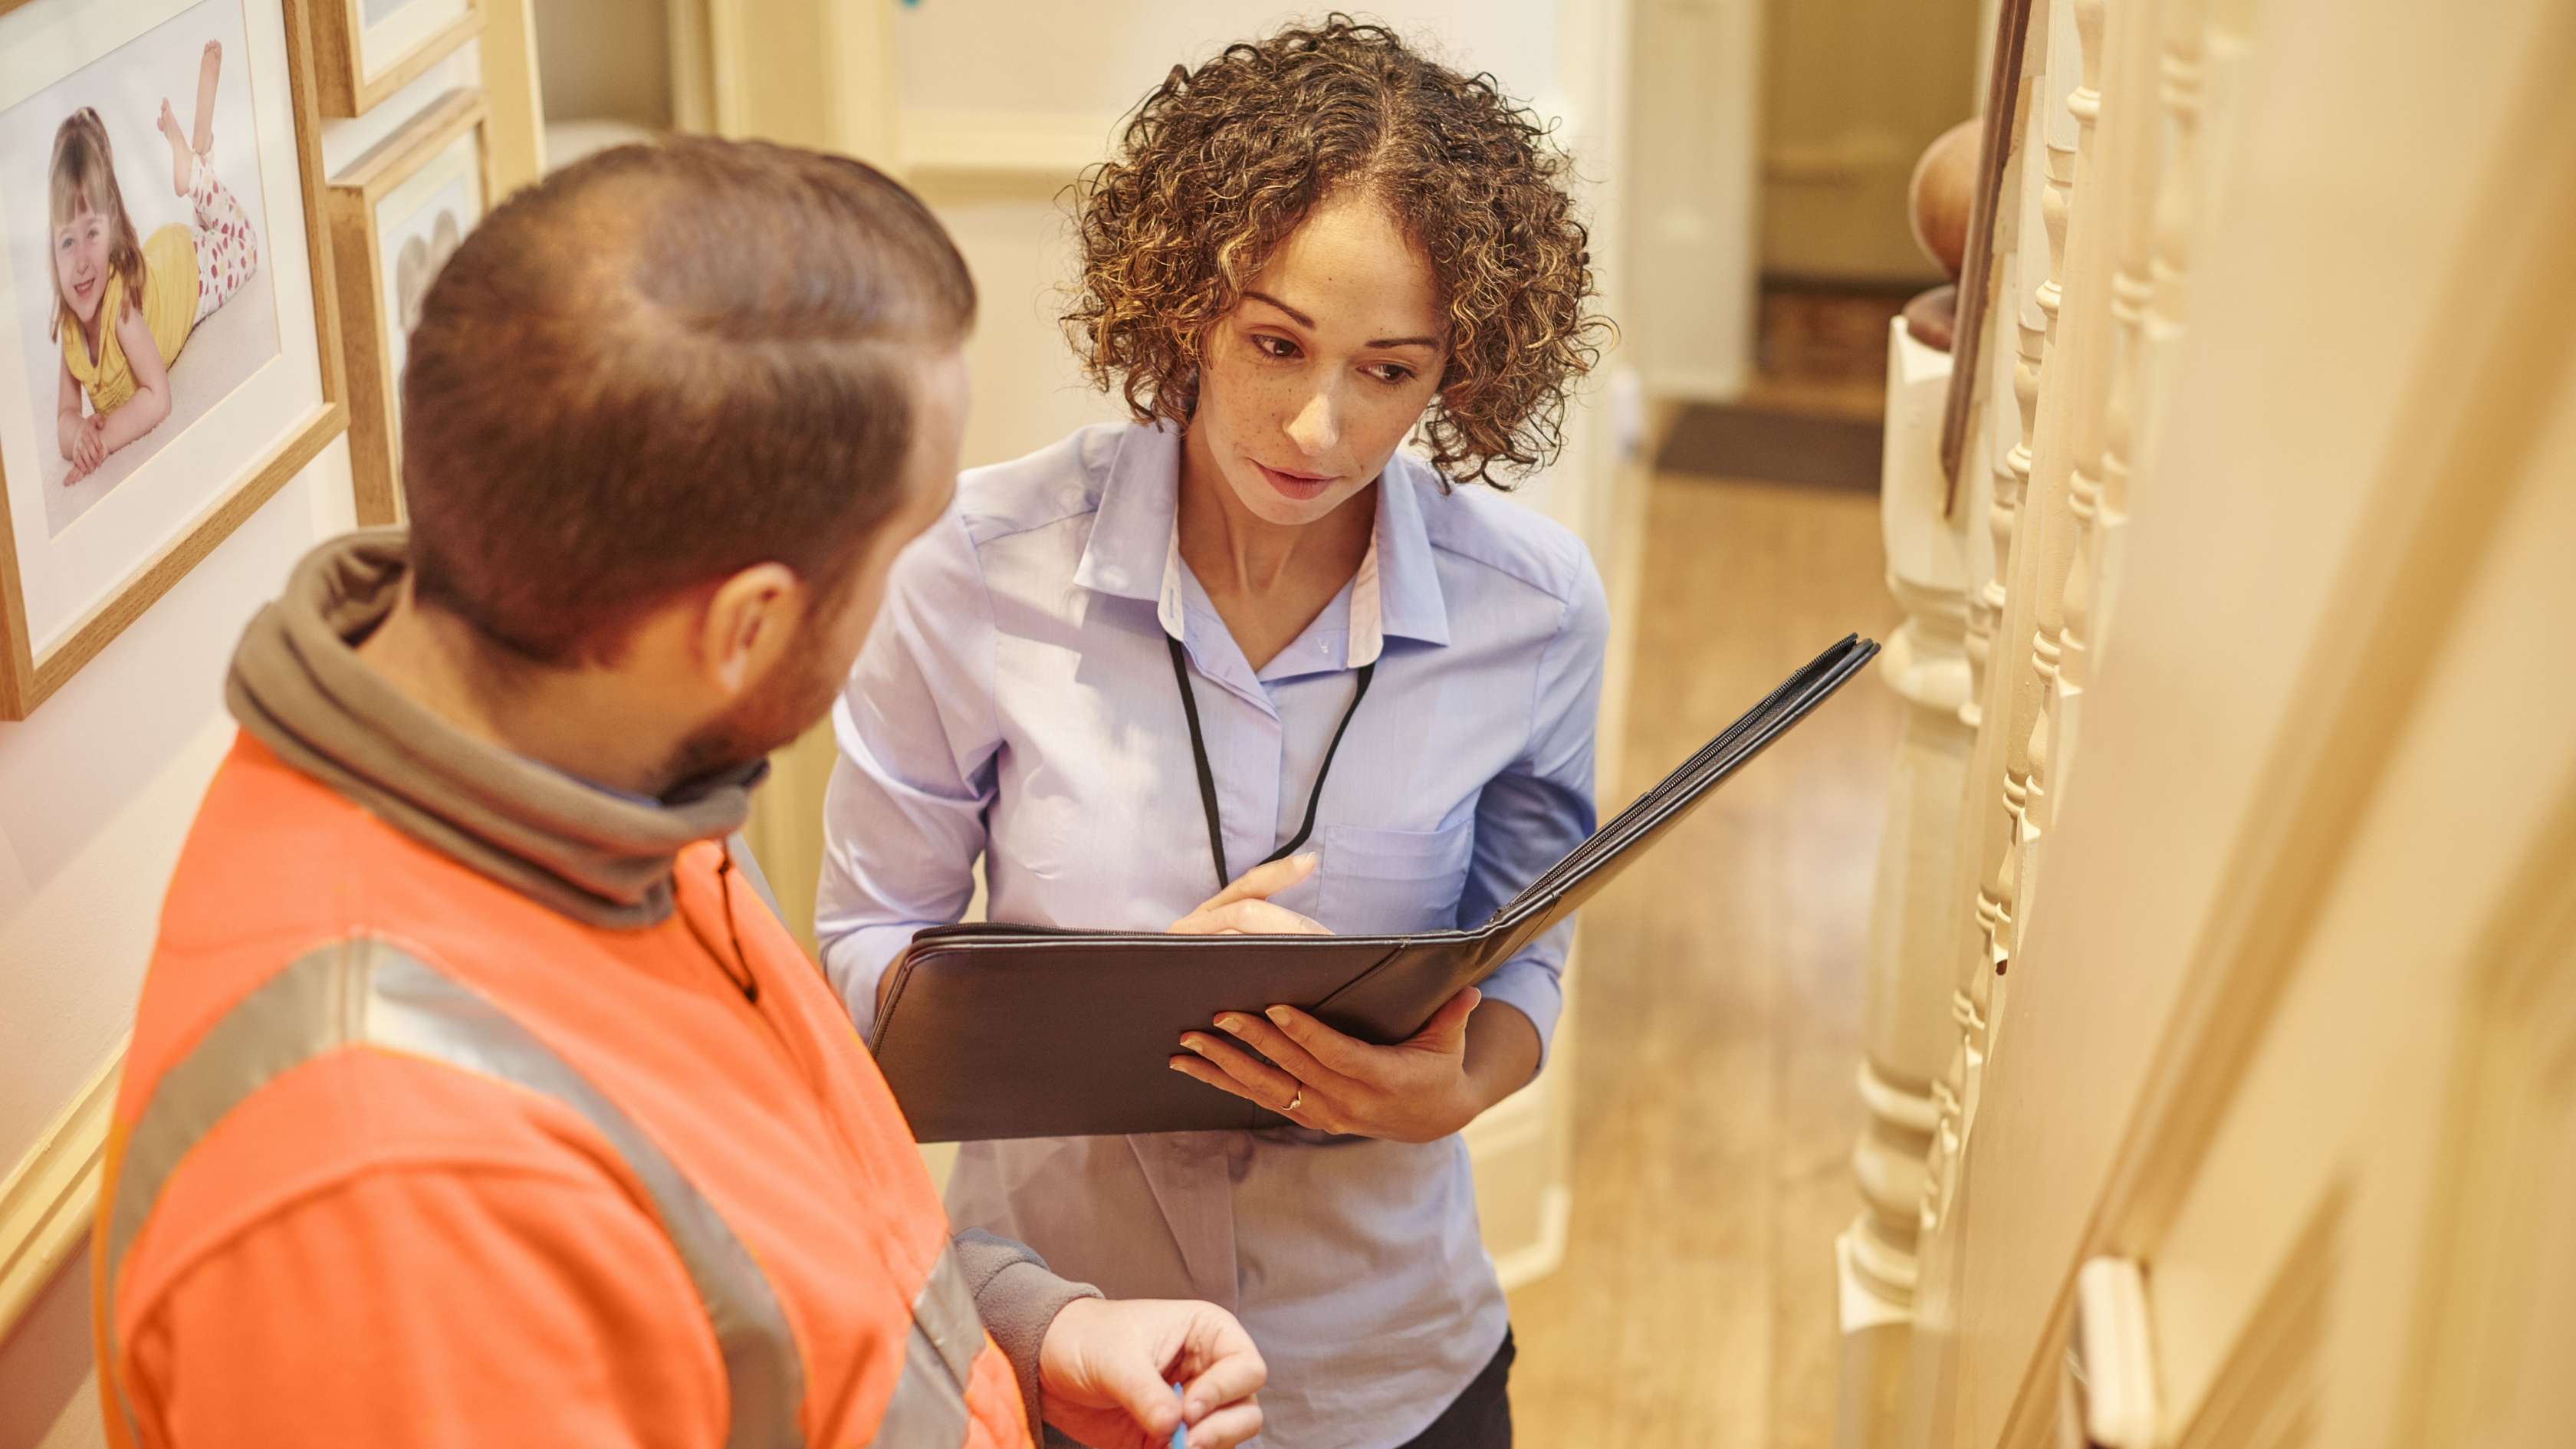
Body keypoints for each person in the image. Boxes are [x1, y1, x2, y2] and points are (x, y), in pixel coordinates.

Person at [90, 138, 1265, 1449]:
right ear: (744, 627)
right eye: (903, 543)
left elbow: (745, 1254)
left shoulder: (603, 773)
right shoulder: (389, 1189)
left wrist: (1018, 1334)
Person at [816, 19, 1609, 1448]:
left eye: (1390, 372)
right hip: (1065, 1347)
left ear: (1463, 372)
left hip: (1395, 1365)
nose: (1316, 426)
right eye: (1276, 344)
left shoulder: (1534, 611)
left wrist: (1466, 1083)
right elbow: (866, 952)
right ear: (1184, 299)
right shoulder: (975, 572)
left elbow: (1526, 943)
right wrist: (1110, 1009)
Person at [50, 41, 259, 485]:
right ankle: (199, 147)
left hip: (190, 273)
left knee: (243, 244)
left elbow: (157, 397)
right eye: (68, 242)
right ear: (52, 248)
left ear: (113, 231)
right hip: (161, 261)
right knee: (208, 225)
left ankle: (195, 172)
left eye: (92, 235)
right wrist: (79, 437)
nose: (83, 262)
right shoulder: (70, 325)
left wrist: (104, 442)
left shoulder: (119, 309)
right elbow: (67, 415)